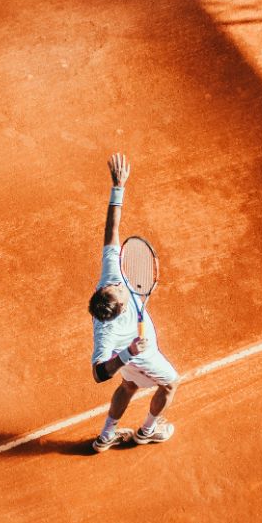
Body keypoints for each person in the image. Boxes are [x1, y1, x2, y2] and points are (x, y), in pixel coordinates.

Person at [87, 153, 179, 452]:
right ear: (121, 309)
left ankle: (105, 437)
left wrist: (118, 186)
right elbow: (99, 373)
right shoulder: (107, 332)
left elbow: (111, 231)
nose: (120, 284)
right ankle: (147, 431)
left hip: (129, 360)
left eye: (115, 285)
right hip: (141, 356)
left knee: (128, 385)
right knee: (170, 383)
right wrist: (128, 354)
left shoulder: (109, 278)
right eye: (120, 290)